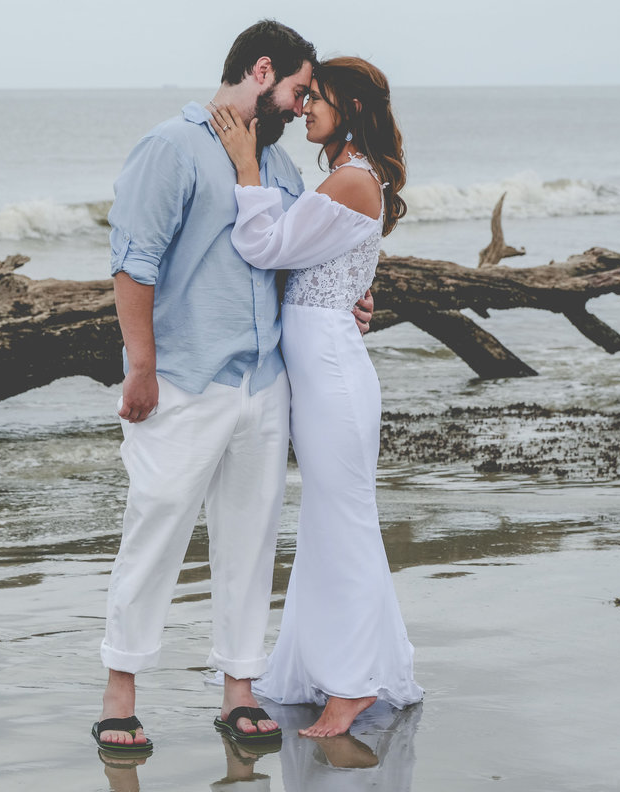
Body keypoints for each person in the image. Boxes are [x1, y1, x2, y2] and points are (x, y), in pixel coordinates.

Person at [94, 21, 375, 755]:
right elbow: (133, 264)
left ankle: (239, 691)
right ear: (261, 71)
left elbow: (291, 258)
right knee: (154, 529)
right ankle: (120, 694)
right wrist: (142, 366)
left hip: (265, 381)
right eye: (298, 89)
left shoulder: (275, 167)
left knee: (250, 541)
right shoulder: (170, 147)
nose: (301, 104)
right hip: (184, 379)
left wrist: (349, 298)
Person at [207, 56, 423, 737]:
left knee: (344, 520)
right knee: (332, 519)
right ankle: (330, 667)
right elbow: (319, 266)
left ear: (350, 109)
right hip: (322, 359)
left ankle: (354, 685)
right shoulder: (348, 177)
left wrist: (245, 168)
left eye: (317, 100)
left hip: (331, 369)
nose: (305, 109)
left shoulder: (354, 180)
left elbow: (268, 245)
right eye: (306, 98)